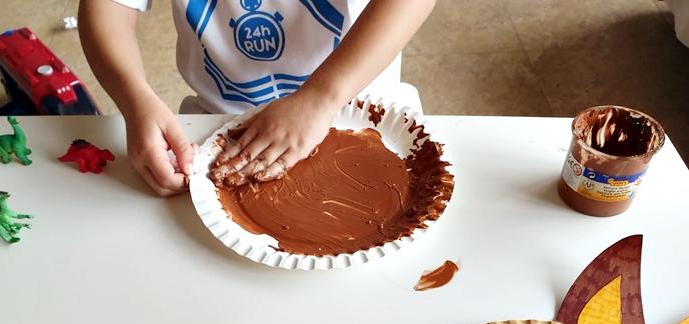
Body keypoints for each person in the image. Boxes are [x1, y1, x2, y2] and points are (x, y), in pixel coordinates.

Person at [78, 0, 436, 195]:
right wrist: (134, 100)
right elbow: (106, 8)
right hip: (219, 120)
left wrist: (320, 98)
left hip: (363, 107)